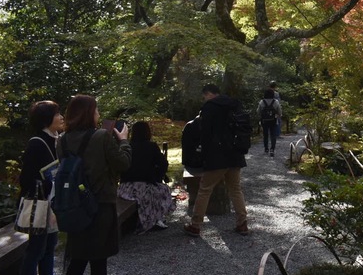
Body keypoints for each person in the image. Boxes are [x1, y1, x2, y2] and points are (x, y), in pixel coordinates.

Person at [59, 95, 131, 275]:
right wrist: (123, 141)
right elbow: (123, 163)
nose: (99, 114)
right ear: (89, 112)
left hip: (74, 204)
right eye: (96, 110)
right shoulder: (101, 136)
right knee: (99, 260)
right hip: (100, 204)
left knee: (77, 258)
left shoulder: (62, 140)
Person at [183, 84, 248, 237]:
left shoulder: (209, 108)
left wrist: (203, 156)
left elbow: (205, 134)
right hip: (235, 154)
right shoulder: (234, 104)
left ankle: (195, 225)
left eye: (204, 96)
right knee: (236, 189)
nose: (204, 99)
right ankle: (242, 223)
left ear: (208, 94)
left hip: (216, 156)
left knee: (205, 190)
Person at [18, 101, 64, 275]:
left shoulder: (56, 140)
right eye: (57, 114)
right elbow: (26, 180)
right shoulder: (37, 143)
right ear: (46, 119)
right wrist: (48, 183)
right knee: (36, 249)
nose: (61, 117)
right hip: (40, 204)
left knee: (50, 246)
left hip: (51, 204)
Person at [117, 121, 175, 233]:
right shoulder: (151, 147)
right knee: (163, 191)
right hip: (144, 186)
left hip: (125, 188)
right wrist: (157, 176)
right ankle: (154, 219)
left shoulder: (127, 147)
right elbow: (163, 164)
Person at [257, 88, 282, 157]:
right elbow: (279, 112)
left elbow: (258, 112)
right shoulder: (276, 102)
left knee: (265, 135)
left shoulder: (262, 102)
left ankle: (266, 148)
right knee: (273, 135)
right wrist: (278, 116)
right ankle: (272, 149)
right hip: (273, 120)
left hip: (264, 121)